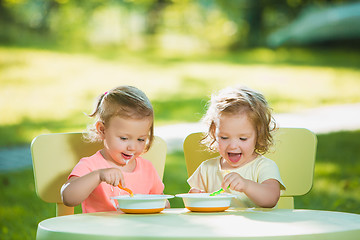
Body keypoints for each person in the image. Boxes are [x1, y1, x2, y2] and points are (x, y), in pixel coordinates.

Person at [61, 85, 168, 213]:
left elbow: (162, 202)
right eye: (124, 138)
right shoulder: (91, 165)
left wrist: (162, 204)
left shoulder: (147, 169)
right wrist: (98, 176)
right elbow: (68, 197)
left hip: (139, 231)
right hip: (99, 231)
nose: (132, 147)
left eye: (141, 139)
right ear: (102, 130)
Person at [187, 86, 286, 208]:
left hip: (258, 226)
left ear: (258, 135)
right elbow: (196, 205)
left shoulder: (263, 167)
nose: (233, 146)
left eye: (243, 139)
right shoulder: (207, 169)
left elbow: (271, 198)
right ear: (214, 132)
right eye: (224, 137)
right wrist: (196, 197)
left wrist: (246, 185)